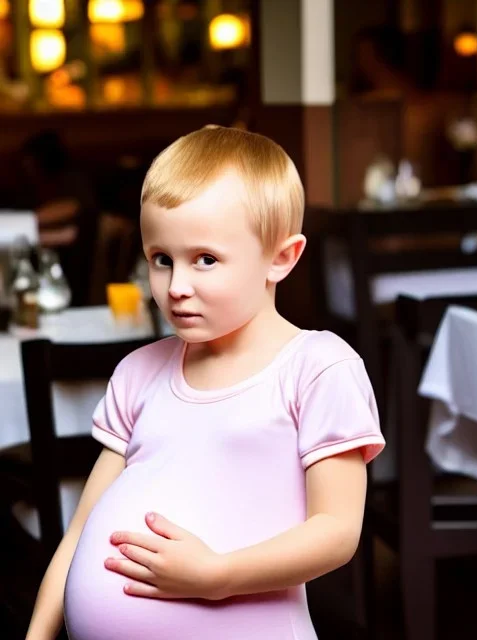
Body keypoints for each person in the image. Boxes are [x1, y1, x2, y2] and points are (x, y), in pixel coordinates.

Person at [25, 126, 385, 640]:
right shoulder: (139, 371)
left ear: (280, 258)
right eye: (161, 259)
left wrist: (216, 576)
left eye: (206, 260)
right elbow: (81, 530)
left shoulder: (317, 367)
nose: (176, 288)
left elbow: (336, 532)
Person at [19, 130, 98, 306]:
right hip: (56, 258)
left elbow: (72, 210)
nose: (26, 165)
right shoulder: (37, 186)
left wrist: (24, 223)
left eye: (29, 160)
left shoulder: (72, 179)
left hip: (77, 267)